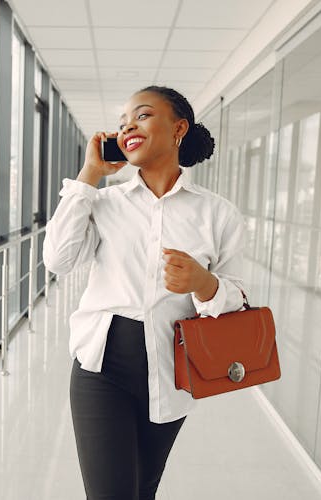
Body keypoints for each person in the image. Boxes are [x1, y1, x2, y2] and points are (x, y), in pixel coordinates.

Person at [43, 85, 247, 500]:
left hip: (174, 368)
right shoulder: (103, 203)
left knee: (142, 489)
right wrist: (90, 176)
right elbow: (58, 260)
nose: (128, 126)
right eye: (122, 123)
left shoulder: (218, 213)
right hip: (102, 365)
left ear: (178, 129)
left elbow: (239, 300)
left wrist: (202, 283)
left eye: (142, 115)